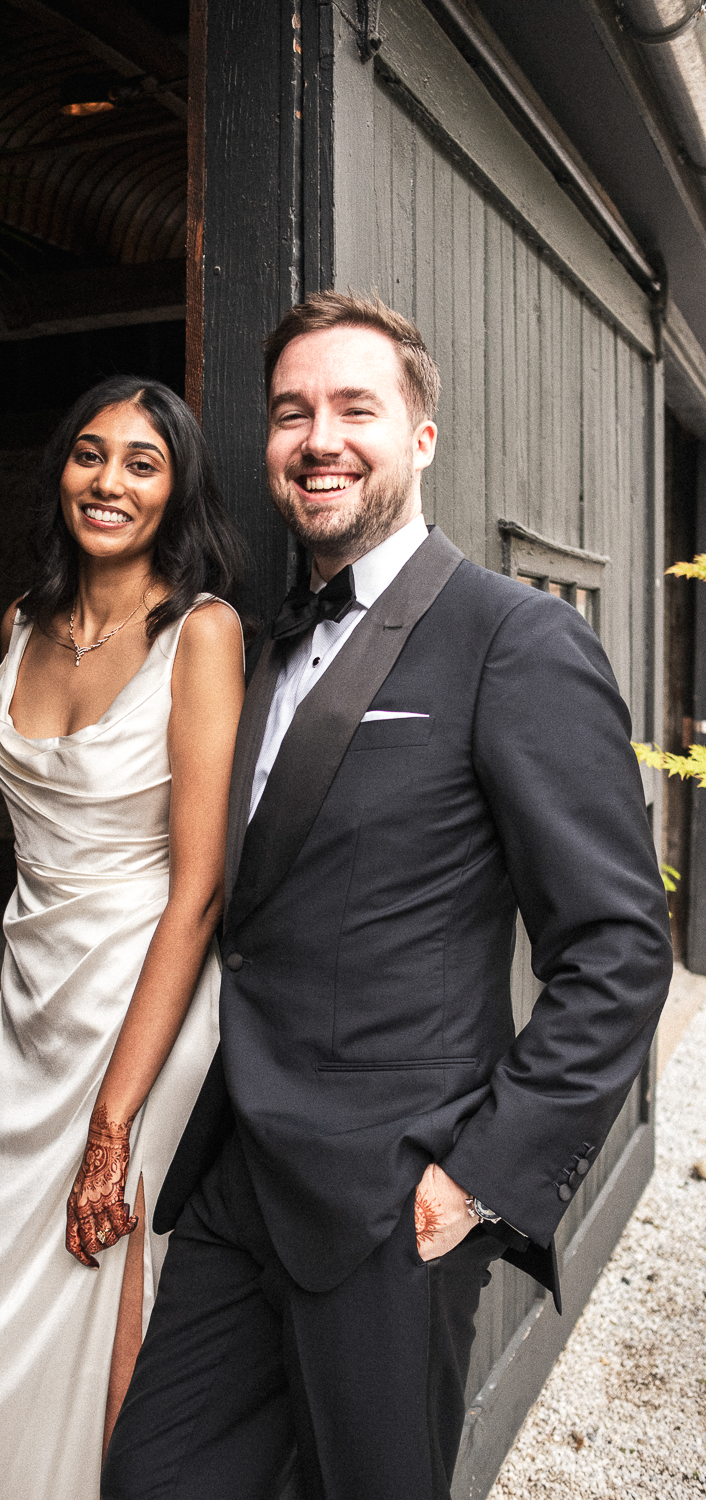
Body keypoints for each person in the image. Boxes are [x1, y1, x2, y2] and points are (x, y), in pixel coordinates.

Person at [101, 293, 674, 1500]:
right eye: (291, 412)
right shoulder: (263, 649)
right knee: (151, 1478)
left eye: (355, 408)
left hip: (389, 1203)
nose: (320, 438)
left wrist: (477, 1179)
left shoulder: (513, 639)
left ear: (420, 436)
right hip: (238, 1178)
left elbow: (619, 949)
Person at [0, 376, 245, 1500]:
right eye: (88, 453)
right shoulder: (18, 621)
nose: (108, 480)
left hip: (145, 1000)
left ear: (176, 492)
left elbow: (199, 890)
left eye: (142, 463)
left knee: (105, 1286)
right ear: (61, 469)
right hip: (33, 1000)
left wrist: (113, 1121)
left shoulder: (200, 634)